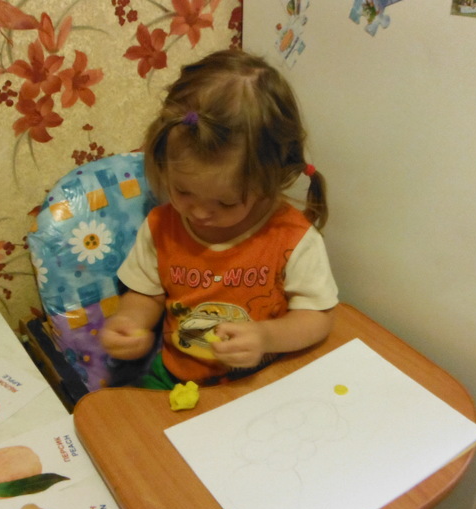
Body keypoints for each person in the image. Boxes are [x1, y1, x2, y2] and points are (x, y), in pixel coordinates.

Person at [100, 49, 339, 389]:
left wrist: (266, 337)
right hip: (177, 376)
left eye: (225, 202)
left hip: (261, 380)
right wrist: (130, 321)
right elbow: (147, 294)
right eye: (183, 191)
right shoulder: (161, 227)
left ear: (268, 180)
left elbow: (317, 317)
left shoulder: (293, 237)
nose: (199, 212)